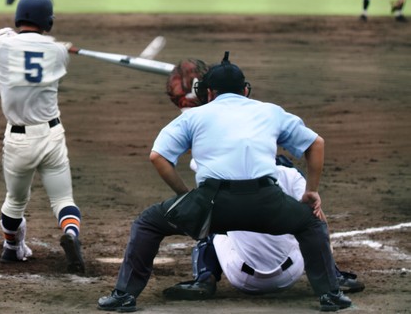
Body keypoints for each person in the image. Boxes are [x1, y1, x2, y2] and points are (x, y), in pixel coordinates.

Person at [98, 52, 353, 312]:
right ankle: (330, 294)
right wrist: (311, 191)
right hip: (267, 202)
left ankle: (124, 296)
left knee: (148, 223)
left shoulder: (193, 116)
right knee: (311, 222)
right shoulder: (270, 111)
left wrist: (185, 196)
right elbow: (316, 143)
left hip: (212, 205)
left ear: (208, 93)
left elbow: (158, 156)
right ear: (245, 90)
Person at [163, 156, 365, 300]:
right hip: (291, 272)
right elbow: (319, 224)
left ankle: (204, 280)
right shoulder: (290, 175)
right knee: (309, 228)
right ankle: (333, 276)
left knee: (210, 223)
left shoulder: (224, 174)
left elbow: (198, 158)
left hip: (240, 276)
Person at [0, 0, 85, 274]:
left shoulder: (3, 47)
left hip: (17, 140)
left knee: (15, 201)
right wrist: (58, 46)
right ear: (48, 21)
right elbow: (49, 51)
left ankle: (11, 248)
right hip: (52, 135)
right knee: (63, 200)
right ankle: (72, 235)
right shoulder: (57, 52)